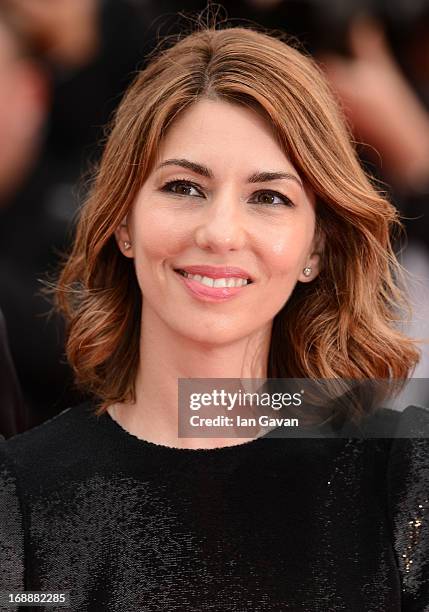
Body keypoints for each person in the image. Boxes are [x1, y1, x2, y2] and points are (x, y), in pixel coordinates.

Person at [0, 22, 428, 611]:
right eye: (183, 187)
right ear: (123, 221)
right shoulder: (20, 496)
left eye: (269, 197)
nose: (220, 232)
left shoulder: (399, 482)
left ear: (316, 248)